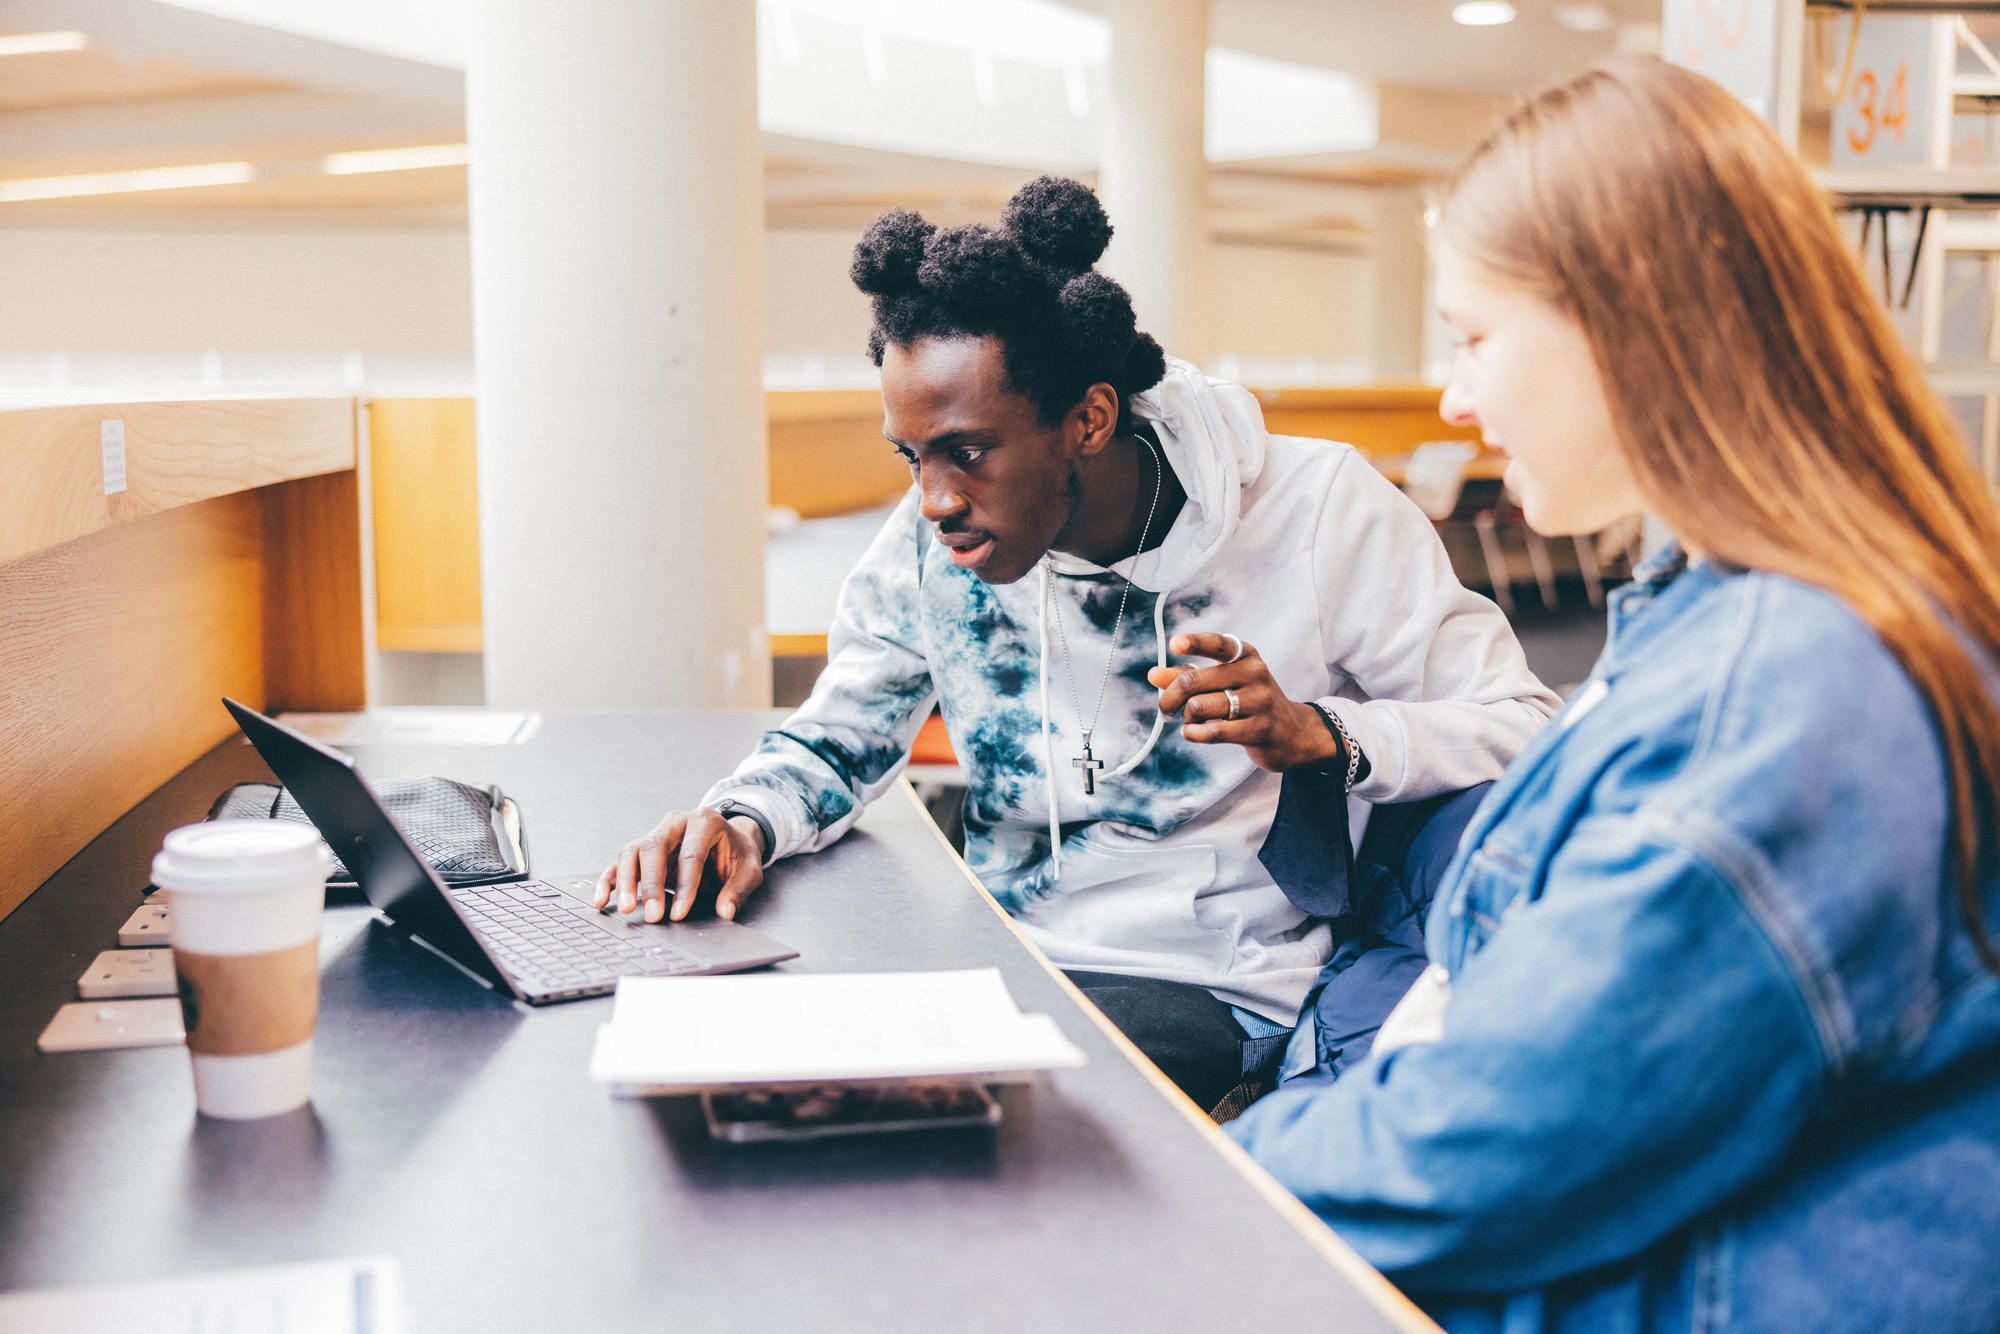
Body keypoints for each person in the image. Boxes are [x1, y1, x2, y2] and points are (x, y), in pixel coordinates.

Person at [1227, 57, 2000, 1333]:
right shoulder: (1727, 626)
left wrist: (1200, 1182)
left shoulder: (1786, 699)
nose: (1454, 397)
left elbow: (1488, 1148)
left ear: (1630, 323)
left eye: (1474, 337)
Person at [599, 176, 1558, 1113]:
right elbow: (841, 731)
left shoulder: (1315, 512)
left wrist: (1322, 732)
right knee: (761, 1091)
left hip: (1205, 980)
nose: (932, 499)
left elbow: (1524, 726)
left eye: (967, 451)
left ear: (1090, 419)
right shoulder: (941, 534)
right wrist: (741, 821)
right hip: (997, 953)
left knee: (983, 1150)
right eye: (912, 458)